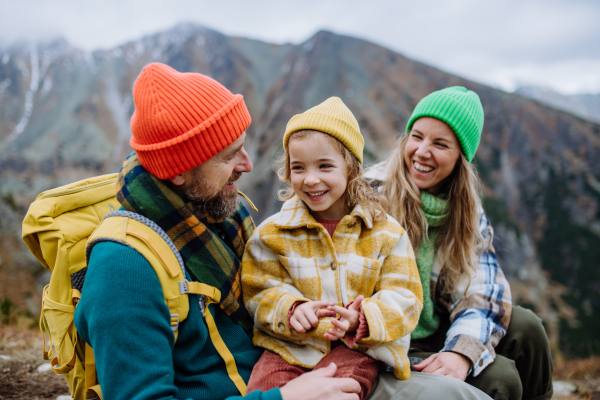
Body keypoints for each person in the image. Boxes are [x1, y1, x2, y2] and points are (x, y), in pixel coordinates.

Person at [74, 63, 492, 400]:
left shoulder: (216, 219)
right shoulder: (123, 268)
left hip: (320, 364)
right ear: (180, 170)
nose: (248, 165)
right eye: (229, 155)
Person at [364, 86, 553, 400]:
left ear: (459, 158)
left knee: (527, 327)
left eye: (440, 144)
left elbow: (483, 291)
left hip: (435, 329)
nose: (423, 151)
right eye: (417, 136)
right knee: (501, 378)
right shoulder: (371, 194)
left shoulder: (466, 211)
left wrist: (461, 352)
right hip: (387, 337)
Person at [241, 97, 423, 399]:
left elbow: (405, 297)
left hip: (359, 348)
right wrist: (290, 309)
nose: (310, 179)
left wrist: (361, 319)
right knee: (264, 389)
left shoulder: (385, 232)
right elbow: (258, 289)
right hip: (289, 348)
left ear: (351, 168)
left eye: (325, 166)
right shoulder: (272, 234)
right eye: (298, 168)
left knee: (338, 391)